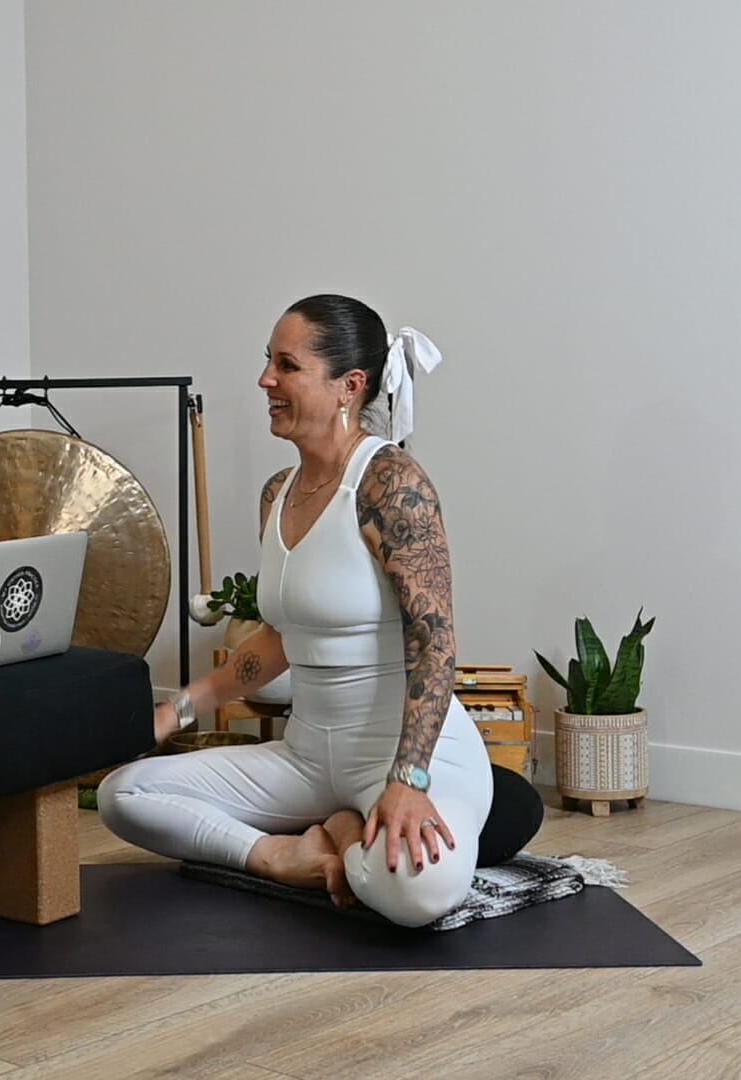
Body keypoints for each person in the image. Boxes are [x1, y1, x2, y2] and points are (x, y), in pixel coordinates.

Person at [97, 294, 539, 927]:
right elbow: (278, 640)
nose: (265, 380)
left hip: (408, 753)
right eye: (267, 363)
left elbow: (434, 643)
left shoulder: (391, 482)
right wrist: (176, 710)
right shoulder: (277, 493)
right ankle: (283, 854)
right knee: (125, 795)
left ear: (348, 387)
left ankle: (343, 831)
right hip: (308, 758)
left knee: (420, 896)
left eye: (286, 365)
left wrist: (408, 780)